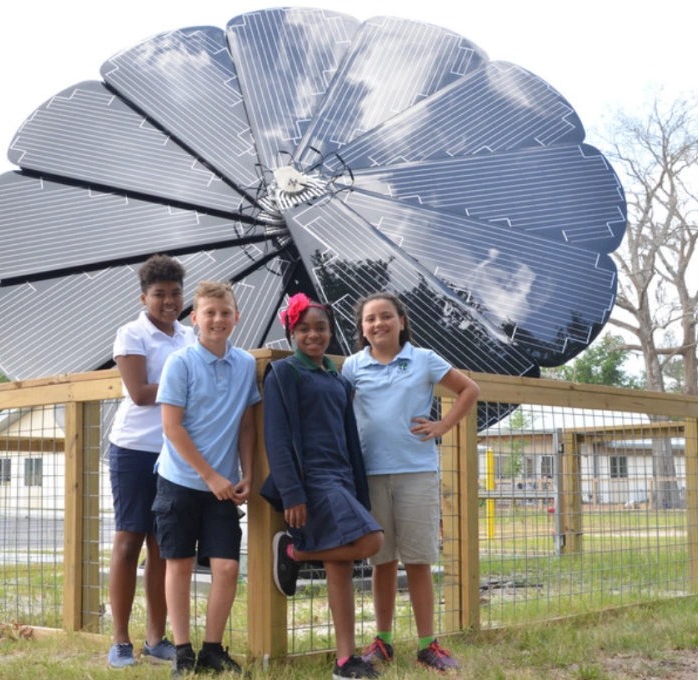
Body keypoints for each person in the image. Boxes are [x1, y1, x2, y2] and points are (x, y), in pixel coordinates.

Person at [342, 292, 480, 675]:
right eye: (370, 319)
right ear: (362, 328)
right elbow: (340, 412)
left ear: (401, 321)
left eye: (386, 316)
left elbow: (469, 389)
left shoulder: (424, 359)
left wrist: (443, 425)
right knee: (382, 560)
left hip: (416, 472)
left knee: (418, 560)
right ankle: (382, 642)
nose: (378, 324)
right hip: (369, 475)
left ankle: (427, 645)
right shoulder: (352, 366)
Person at [262, 293, 384, 679]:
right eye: (304, 329)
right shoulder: (284, 373)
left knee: (341, 566)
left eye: (321, 328)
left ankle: (345, 660)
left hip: (342, 478)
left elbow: (350, 439)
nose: (313, 335)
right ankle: (295, 552)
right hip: (312, 481)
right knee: (372, 541)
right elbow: (276, 438)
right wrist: (292, 492)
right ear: (291, 333)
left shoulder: (338, 378)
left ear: (331, 332)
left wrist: (359, 490)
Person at [154, 280, 260, 677]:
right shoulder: (180, 363)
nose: (218, 319)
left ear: (237, 317)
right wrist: (210, 475)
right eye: (209, 313)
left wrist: (247, 473)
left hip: (224, 487)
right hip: (180, 480)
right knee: (179, 565)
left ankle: (212, 651)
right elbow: (172, 427)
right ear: (195, 318)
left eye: (225, 312)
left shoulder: (245, 364)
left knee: (227, 567)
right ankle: (183, 652)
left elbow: (247, 424)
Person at [107, 254, 195, 668]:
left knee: (164, 546)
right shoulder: (131, 334)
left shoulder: (189, 336)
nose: (169, 301)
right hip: (135, 450)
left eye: (175, 293)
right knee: (129, 541)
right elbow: (140, 394)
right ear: (144, 297)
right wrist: (187, 385)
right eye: (159, 294)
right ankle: (120, 641)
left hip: (174, 452)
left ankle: (156, 639)